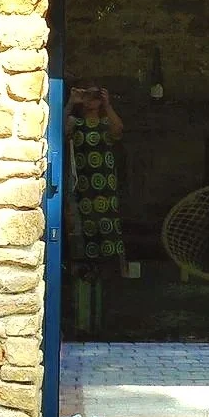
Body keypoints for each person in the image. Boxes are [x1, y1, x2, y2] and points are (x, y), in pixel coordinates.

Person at [65, 84, 125, 332]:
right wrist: (71, 103)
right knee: (84, 238)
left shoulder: (104, 123)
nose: (91, 100)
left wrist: (108, 105)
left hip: (106, 193)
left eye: (95, 96)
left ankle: (107, 309)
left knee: (107, 240)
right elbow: (57, 131)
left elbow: (119, 131)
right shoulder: (74, 123)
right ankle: (85, 311)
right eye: (87, 96)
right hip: (84, 190)